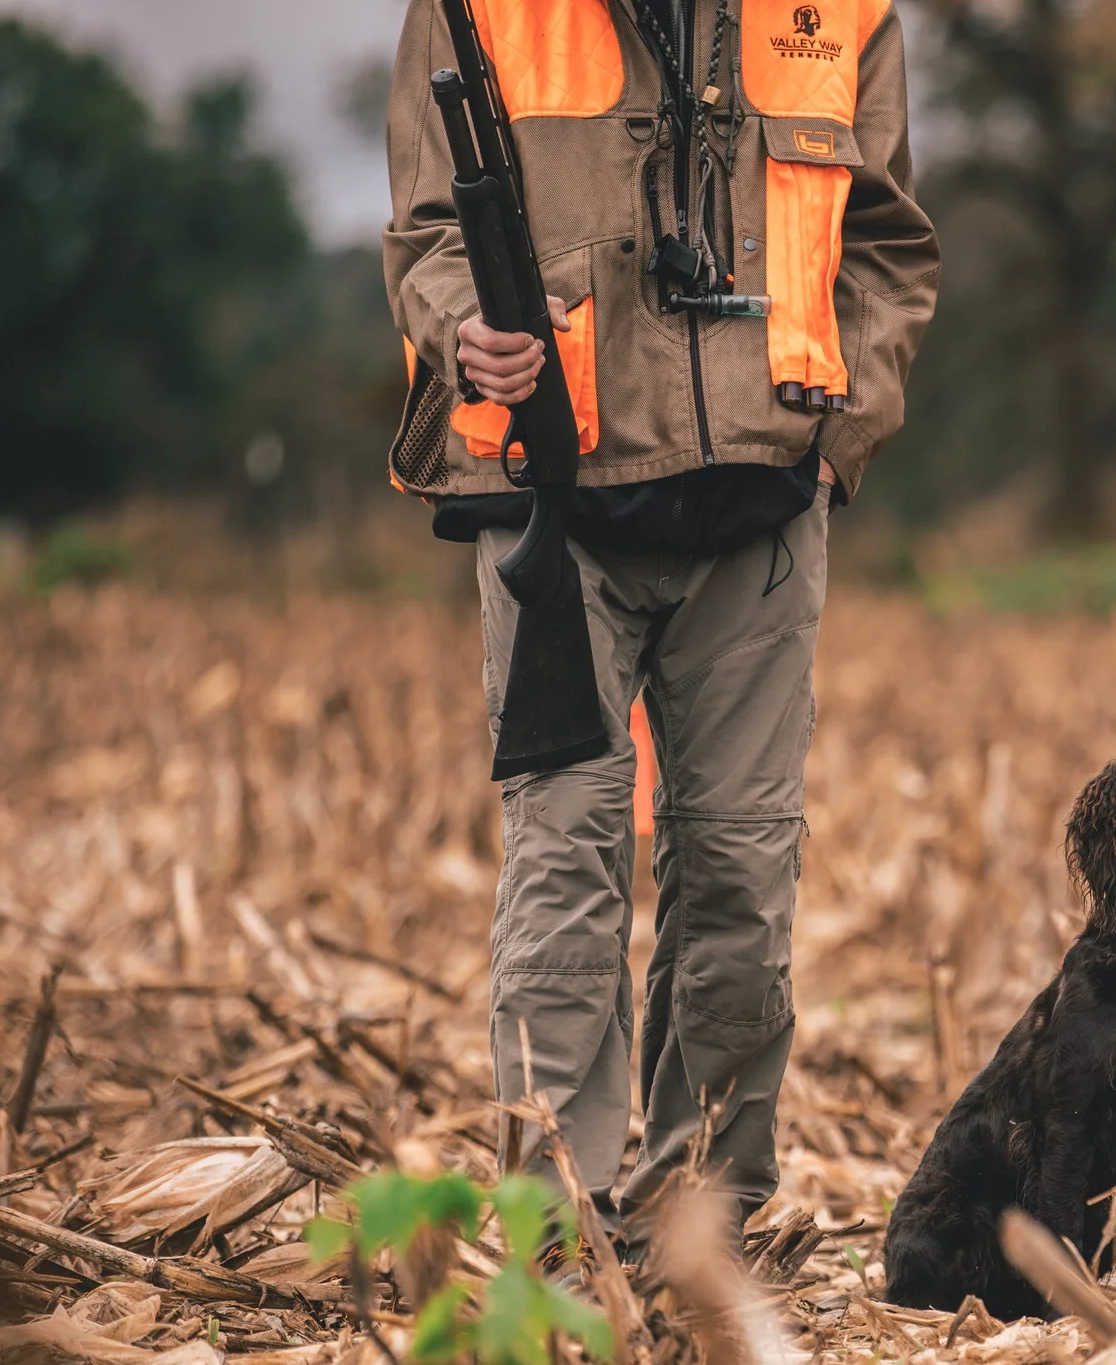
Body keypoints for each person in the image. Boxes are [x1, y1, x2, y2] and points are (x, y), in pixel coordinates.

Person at [383, 0, 938, 1245]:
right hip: (550, 493)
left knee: (742, 871)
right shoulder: (472, 8)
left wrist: (834, 439)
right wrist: (459, 332)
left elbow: (888, 248)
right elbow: (424, 232)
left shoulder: (847, 11)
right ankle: (553, 1227)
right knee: (565, 862)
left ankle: (701, 1222)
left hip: (762, 501)